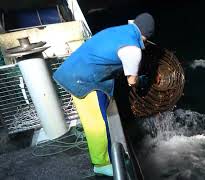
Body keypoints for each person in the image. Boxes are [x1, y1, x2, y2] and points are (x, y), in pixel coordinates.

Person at [53, 13, 155, 176]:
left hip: (79, 69)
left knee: (98, 117)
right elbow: (131, 81)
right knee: (97, 124)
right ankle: (100, 164)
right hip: (82, 80)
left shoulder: (120, 30)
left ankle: (104, 156)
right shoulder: (133, 50)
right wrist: (141, 81)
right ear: (146, 37)